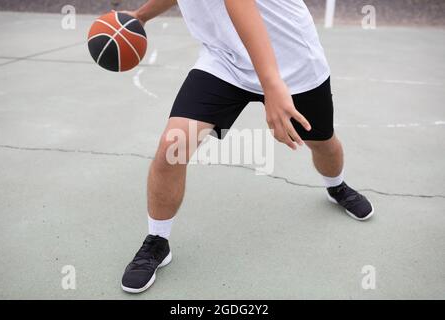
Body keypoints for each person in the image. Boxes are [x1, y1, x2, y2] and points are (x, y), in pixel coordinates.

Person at [120, 0, 374, 293]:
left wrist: (272, 85)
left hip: (290, 59)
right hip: (225, 60)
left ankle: (336, 186)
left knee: (321, 142)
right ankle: (157, 241)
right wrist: (141, 15)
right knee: (171, 148)